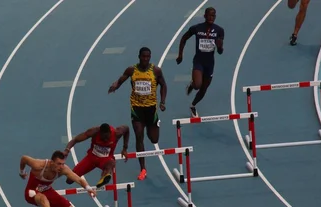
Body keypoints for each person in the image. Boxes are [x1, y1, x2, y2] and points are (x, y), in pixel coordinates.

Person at [108, 47, 167, 180]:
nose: (146, 59)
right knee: (139, 137)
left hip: (151, 109)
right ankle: (143, 169)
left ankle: (153, 125)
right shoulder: (132, 70)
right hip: (137, 109)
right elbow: (121, 79)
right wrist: (115, 86)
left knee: (154, 139)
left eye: (148, 57)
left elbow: (164, 85)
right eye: (143, 56)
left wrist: (162, 102)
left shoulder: (156, 71)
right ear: (139, 57)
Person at [19, 151, 96, 207]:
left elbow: (79, 179)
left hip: (48, 191)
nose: (61, 167)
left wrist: (88, 188)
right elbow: (24, 158)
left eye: (63, 164)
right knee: (43, 199)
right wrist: (22, 172)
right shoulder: (39, 165)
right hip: (32, 193)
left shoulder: (63, 169)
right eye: (59, 164)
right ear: (51, 162)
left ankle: (60, 205)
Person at [176, 7, 224, 118]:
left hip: (210, 64)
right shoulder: (197, 28)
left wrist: (220, 47)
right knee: (198, 85)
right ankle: (192, 84)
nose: (211, 17)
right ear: (205, 16)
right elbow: (183, 38)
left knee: (203, 90)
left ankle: (193, 106)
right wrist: (180, 55)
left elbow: (220, 52)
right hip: (198, 62)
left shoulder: (219, 30)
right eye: (209, 15)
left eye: (213, 15)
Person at [63, 123, 130, 187]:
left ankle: (104, 178)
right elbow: (75, 140)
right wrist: (67, 150)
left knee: (111, 163)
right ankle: (105, 175)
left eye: (107, 137)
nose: (105, 140)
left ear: (110, 133)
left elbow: (127, 129)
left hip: (105, 159)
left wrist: (125, 148)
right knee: (69, 180)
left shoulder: (117, 133)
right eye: (103, 138)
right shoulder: (94, 132)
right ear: (100, 133)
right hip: (91, 158)